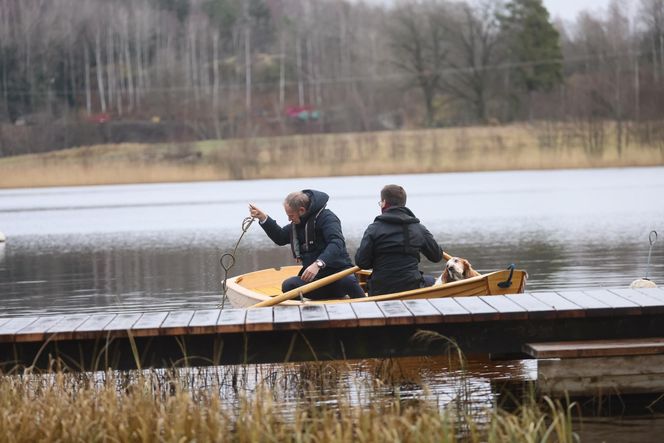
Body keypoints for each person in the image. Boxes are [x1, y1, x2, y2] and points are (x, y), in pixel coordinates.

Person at [249, 189, 365, 300]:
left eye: (291, 216)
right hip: (316, 283)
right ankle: (305, 314)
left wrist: (318, 264)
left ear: (302, 210)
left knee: (349, 281)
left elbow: (336, 243)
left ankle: (367, 305)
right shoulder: (298, 224)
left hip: (338, 278)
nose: (289, 219)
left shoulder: (328, 218)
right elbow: (280, 238)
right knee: (288, 286)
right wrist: (263, 218)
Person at [355, 184, 443, 296]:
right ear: (403, 204)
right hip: (412, 287)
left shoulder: (373, 229)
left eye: (380, 202)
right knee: (432, 281)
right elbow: (437, 256)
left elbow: (362, 262)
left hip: (381, 289)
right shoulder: (419, 229)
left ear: (384, 203)